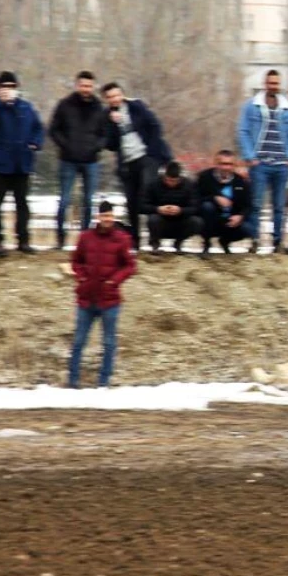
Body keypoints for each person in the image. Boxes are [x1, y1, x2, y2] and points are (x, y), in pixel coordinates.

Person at [69, 200, 136, 388]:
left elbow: (130, 265)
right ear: (98, 217)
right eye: (104, 216)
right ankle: (73, 380)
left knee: (109, 343)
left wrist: (114, 281)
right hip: (86, 298)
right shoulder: (85, 237)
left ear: (114, 217)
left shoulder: (122, 238)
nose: (107, 219)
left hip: (110, 299)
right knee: (78, 341)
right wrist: (81, 277)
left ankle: (103, 382)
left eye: (110, 216)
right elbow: (76, 261)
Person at [102, 82, 172, 250]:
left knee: (147, 195)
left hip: (146, 157)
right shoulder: (106, 116)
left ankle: (154, 240)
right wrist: (113, 124)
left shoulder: (136, 106)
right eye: (110, 97)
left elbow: (155, 126)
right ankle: (135, 240)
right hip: (127, 162)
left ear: (122, 95)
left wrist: (152, 152)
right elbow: (110, 145)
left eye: (117, 95)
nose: (115, 99)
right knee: (131, 201)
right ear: (106, 99)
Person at [0, 71, 44, 256]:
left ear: (17, 88)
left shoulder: (26, 107)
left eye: (11, 87)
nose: (8, 90)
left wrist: (35, 143)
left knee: (22, 204)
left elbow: (38, 128)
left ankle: (23, 240)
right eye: (4, 86)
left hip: (22, 164)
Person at [238, 69, 288, 253]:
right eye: (271, 83)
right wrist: (250, 156)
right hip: (260, 163)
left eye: (276, 83)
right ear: (265, 84)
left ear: (280, 85)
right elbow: (243, 131)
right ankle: (254, 241)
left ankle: (277, 242)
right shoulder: (252, 106)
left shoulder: (287, 109)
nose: (273, 86)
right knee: (256, 204)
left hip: (281, 164)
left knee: (279, 206)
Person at [49, 70, 107, 249]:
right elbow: (53, 130)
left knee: (88, 201)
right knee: (64, 200)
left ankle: (84, 240)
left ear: (93, 87)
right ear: (77, 85)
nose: (86, 89)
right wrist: (65, 145)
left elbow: (105, 134)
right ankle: (60, 239)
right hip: (68, 160)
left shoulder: (99, 108)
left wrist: (96, 147)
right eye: (83, 85)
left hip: (91, 161)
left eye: (89, 86)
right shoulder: (64, 105)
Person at [197, 149, 252, 256]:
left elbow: (248, 205)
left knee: (248, 228)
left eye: (230, 164)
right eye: (223, 164)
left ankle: (225, 241)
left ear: (234, 165)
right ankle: (206, 244)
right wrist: (214, 198)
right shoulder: (205, 177)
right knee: (207, 207)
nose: (226, 167)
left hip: (230, 220)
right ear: (216, 164)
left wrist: (240, 216)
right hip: (210, 219)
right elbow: (195, 199)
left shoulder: (240, 181)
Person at [141, 160, 201, 254]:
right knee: (153, 219)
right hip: (160, 221)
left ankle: (179, 243)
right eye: (168, 180)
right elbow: (142, 206)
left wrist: (181, 210)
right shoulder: (153, 184)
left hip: (180, 221)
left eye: (174, 181)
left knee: (197, 222)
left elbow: (195, 207)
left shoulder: (189, 185)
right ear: (164, 176)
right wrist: (158, 209)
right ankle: (155, 244)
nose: (170, 183)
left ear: (179, 178)